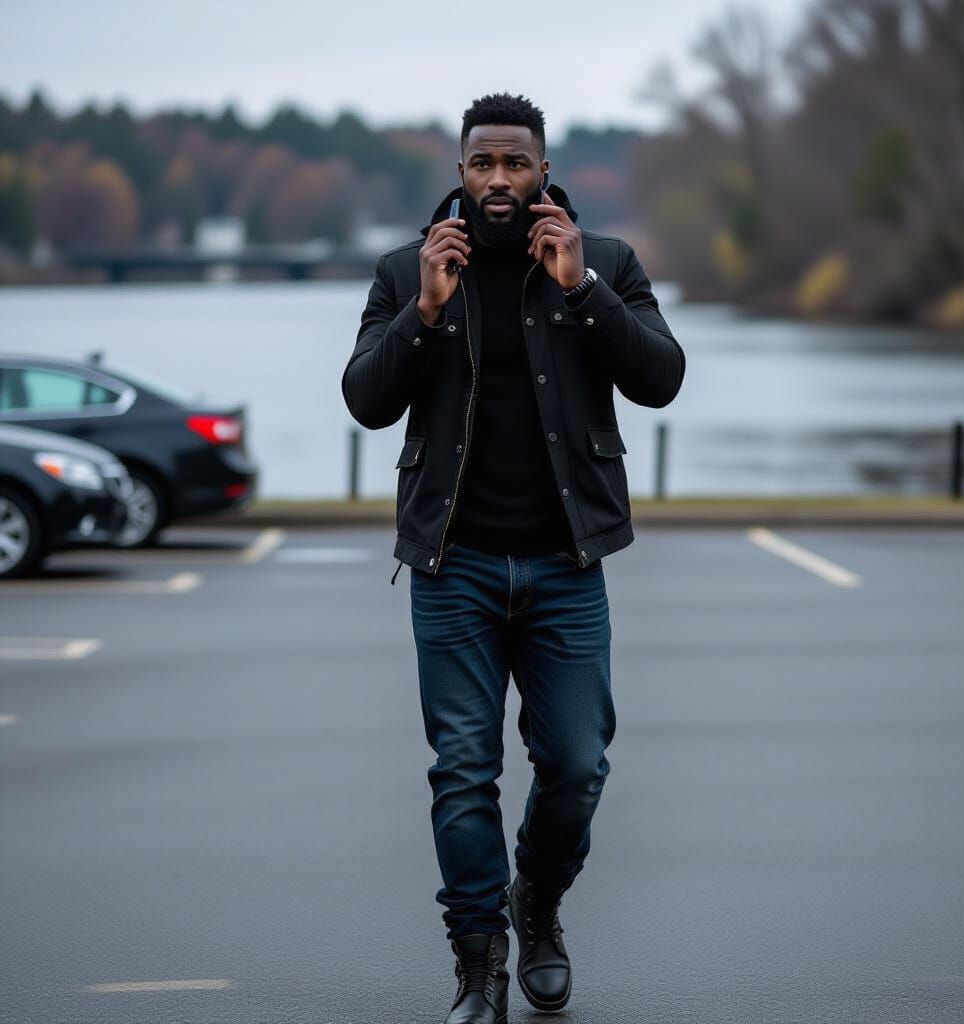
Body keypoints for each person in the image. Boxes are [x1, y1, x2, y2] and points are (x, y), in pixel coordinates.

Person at [342, 91, 685, 1024]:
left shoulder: (601, 261)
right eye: (482, 164)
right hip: (453, 571)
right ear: (460, 173)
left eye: (516, 164)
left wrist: (582, 292)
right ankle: (478, 963)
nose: (499, 180)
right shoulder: (404, 270)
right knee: (462, 768)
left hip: (565, 570)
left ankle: (538, 903)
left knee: (576, 766)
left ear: (543, 169)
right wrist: (423, 310)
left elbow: (662, 377)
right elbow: (366, 402)